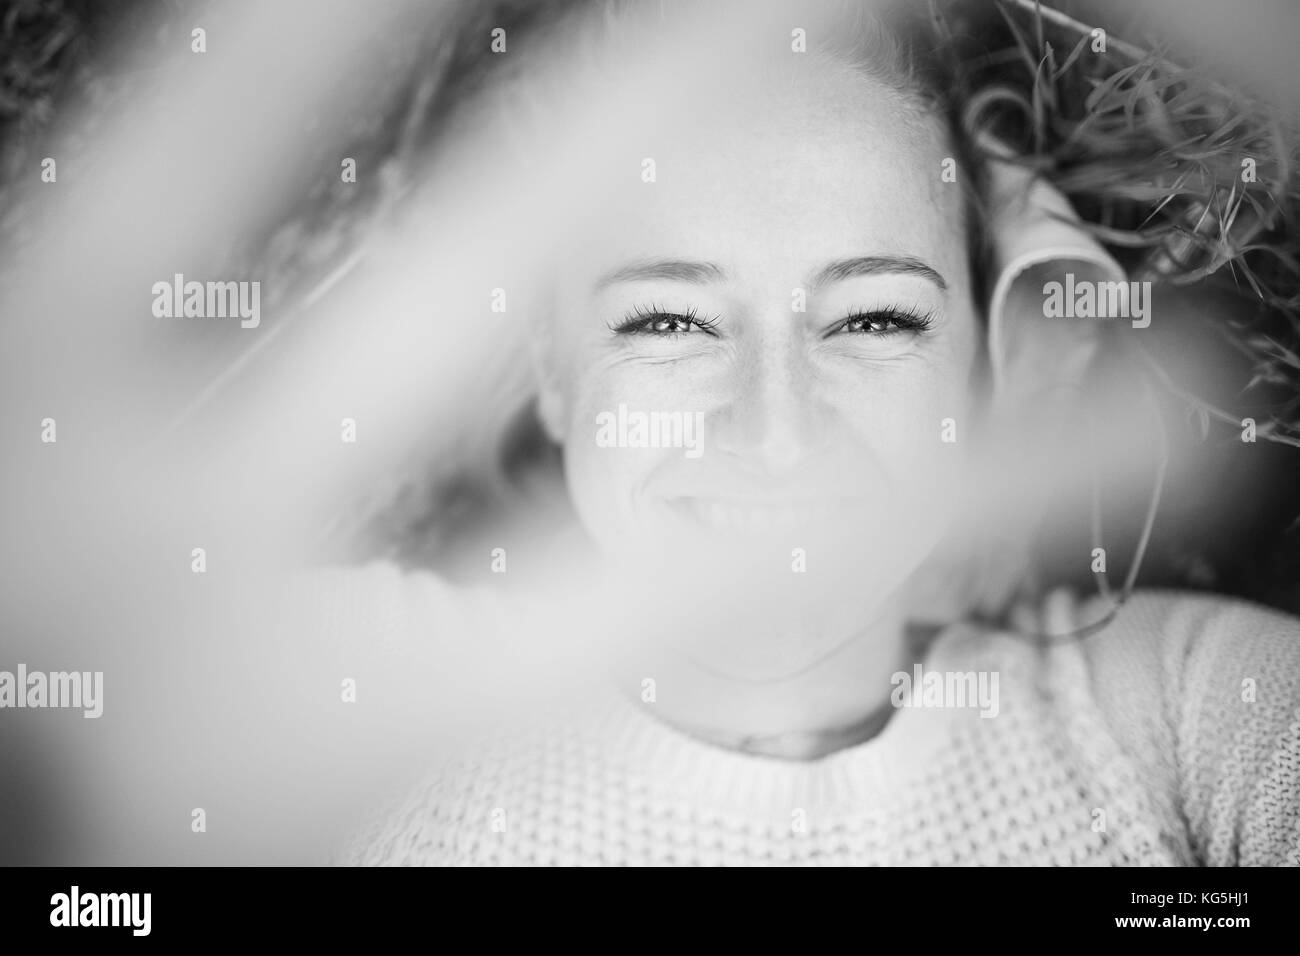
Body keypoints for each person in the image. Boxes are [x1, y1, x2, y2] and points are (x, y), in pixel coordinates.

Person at [313, 0, 1300, 865]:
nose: (777, 433)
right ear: (553, 373)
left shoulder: (1182, 713)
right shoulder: (350, 690)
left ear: (979, 363)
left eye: (874, 320)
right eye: (667, 321)